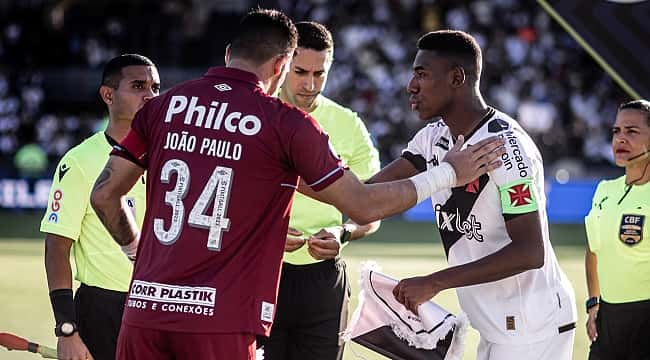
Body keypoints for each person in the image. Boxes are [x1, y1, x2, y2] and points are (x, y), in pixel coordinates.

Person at [89, 9, 504, 360]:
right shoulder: (282, 123)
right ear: (281, 66)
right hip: (221, 319)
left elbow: (105, 195)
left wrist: (134, 254)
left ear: (230, 53)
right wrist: (449, 172)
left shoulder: (163, 106)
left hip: (144, 311)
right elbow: (362, 203)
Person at [374, 30, 576, 360]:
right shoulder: (433, 138)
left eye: (422, 74)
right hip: (495, 325)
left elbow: (530, 251)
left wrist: (434, 282)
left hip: (532, 327)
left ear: (456, 77)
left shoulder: (506, 147)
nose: (411, 85)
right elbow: (370, 194)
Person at [258, 21, 381, 360]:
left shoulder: (349, 124)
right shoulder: (255, 115)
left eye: (320, 73)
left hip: (323, 280)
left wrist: (343, 232)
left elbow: (372, 211)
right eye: (300, 72)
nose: (310, 84)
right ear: (282, 64)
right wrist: (264, 233)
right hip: (260, 270)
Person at [41, 54, 160, 360]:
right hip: (103, 310)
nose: (150, 95)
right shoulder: (80, 161)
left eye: (155, 87)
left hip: (163, 305)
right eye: (138, 86)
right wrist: (66, 327)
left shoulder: (174, 154)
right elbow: (56, 246)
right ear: (108, 95)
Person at [584, 99, 650, 360]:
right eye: (616, 131)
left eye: (632, 131)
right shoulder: (604, 190)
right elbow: (593, 251)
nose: (621, 139)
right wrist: (594, 303)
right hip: (607, 323)